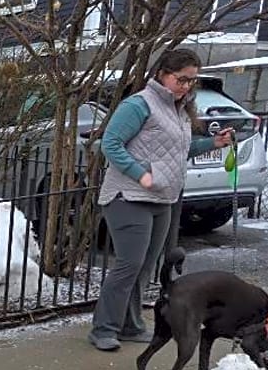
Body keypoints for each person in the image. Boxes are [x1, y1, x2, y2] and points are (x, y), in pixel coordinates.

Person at [88, 48, 236, 352]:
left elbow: (176, 152)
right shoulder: (139, 104)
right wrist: (140, 174)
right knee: (129, 265)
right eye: (181, 79)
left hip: (162, 198)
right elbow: (110, 144)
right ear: (162, 74)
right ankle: (103, 328)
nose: (186, 86)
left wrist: (214, 142)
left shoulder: (178, 110)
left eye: (191, 81)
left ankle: (130, 325)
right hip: (128, 196)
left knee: (145, 266)